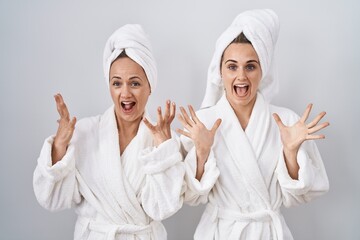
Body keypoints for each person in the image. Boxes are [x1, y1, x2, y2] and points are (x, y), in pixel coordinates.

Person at [177, 9, 329, 240]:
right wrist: (202, 152)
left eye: (250, 66)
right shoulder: (202, 123)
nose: (241, 77)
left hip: (267, 232)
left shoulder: (286, 122)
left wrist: (290, 153)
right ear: (220, 71)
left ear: (263, 70)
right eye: (232, 66)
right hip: (219, 233)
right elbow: (189, 196)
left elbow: (297, 197)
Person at [33, 24, 185, 240]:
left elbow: (163, 208)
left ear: (150, 86)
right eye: (116, 83)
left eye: (134, 83)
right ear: (109, 86)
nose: (125, 92)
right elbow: (51, 199)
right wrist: (59, 146)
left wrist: (163, 149)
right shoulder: (84, 132)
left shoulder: (163, 142)